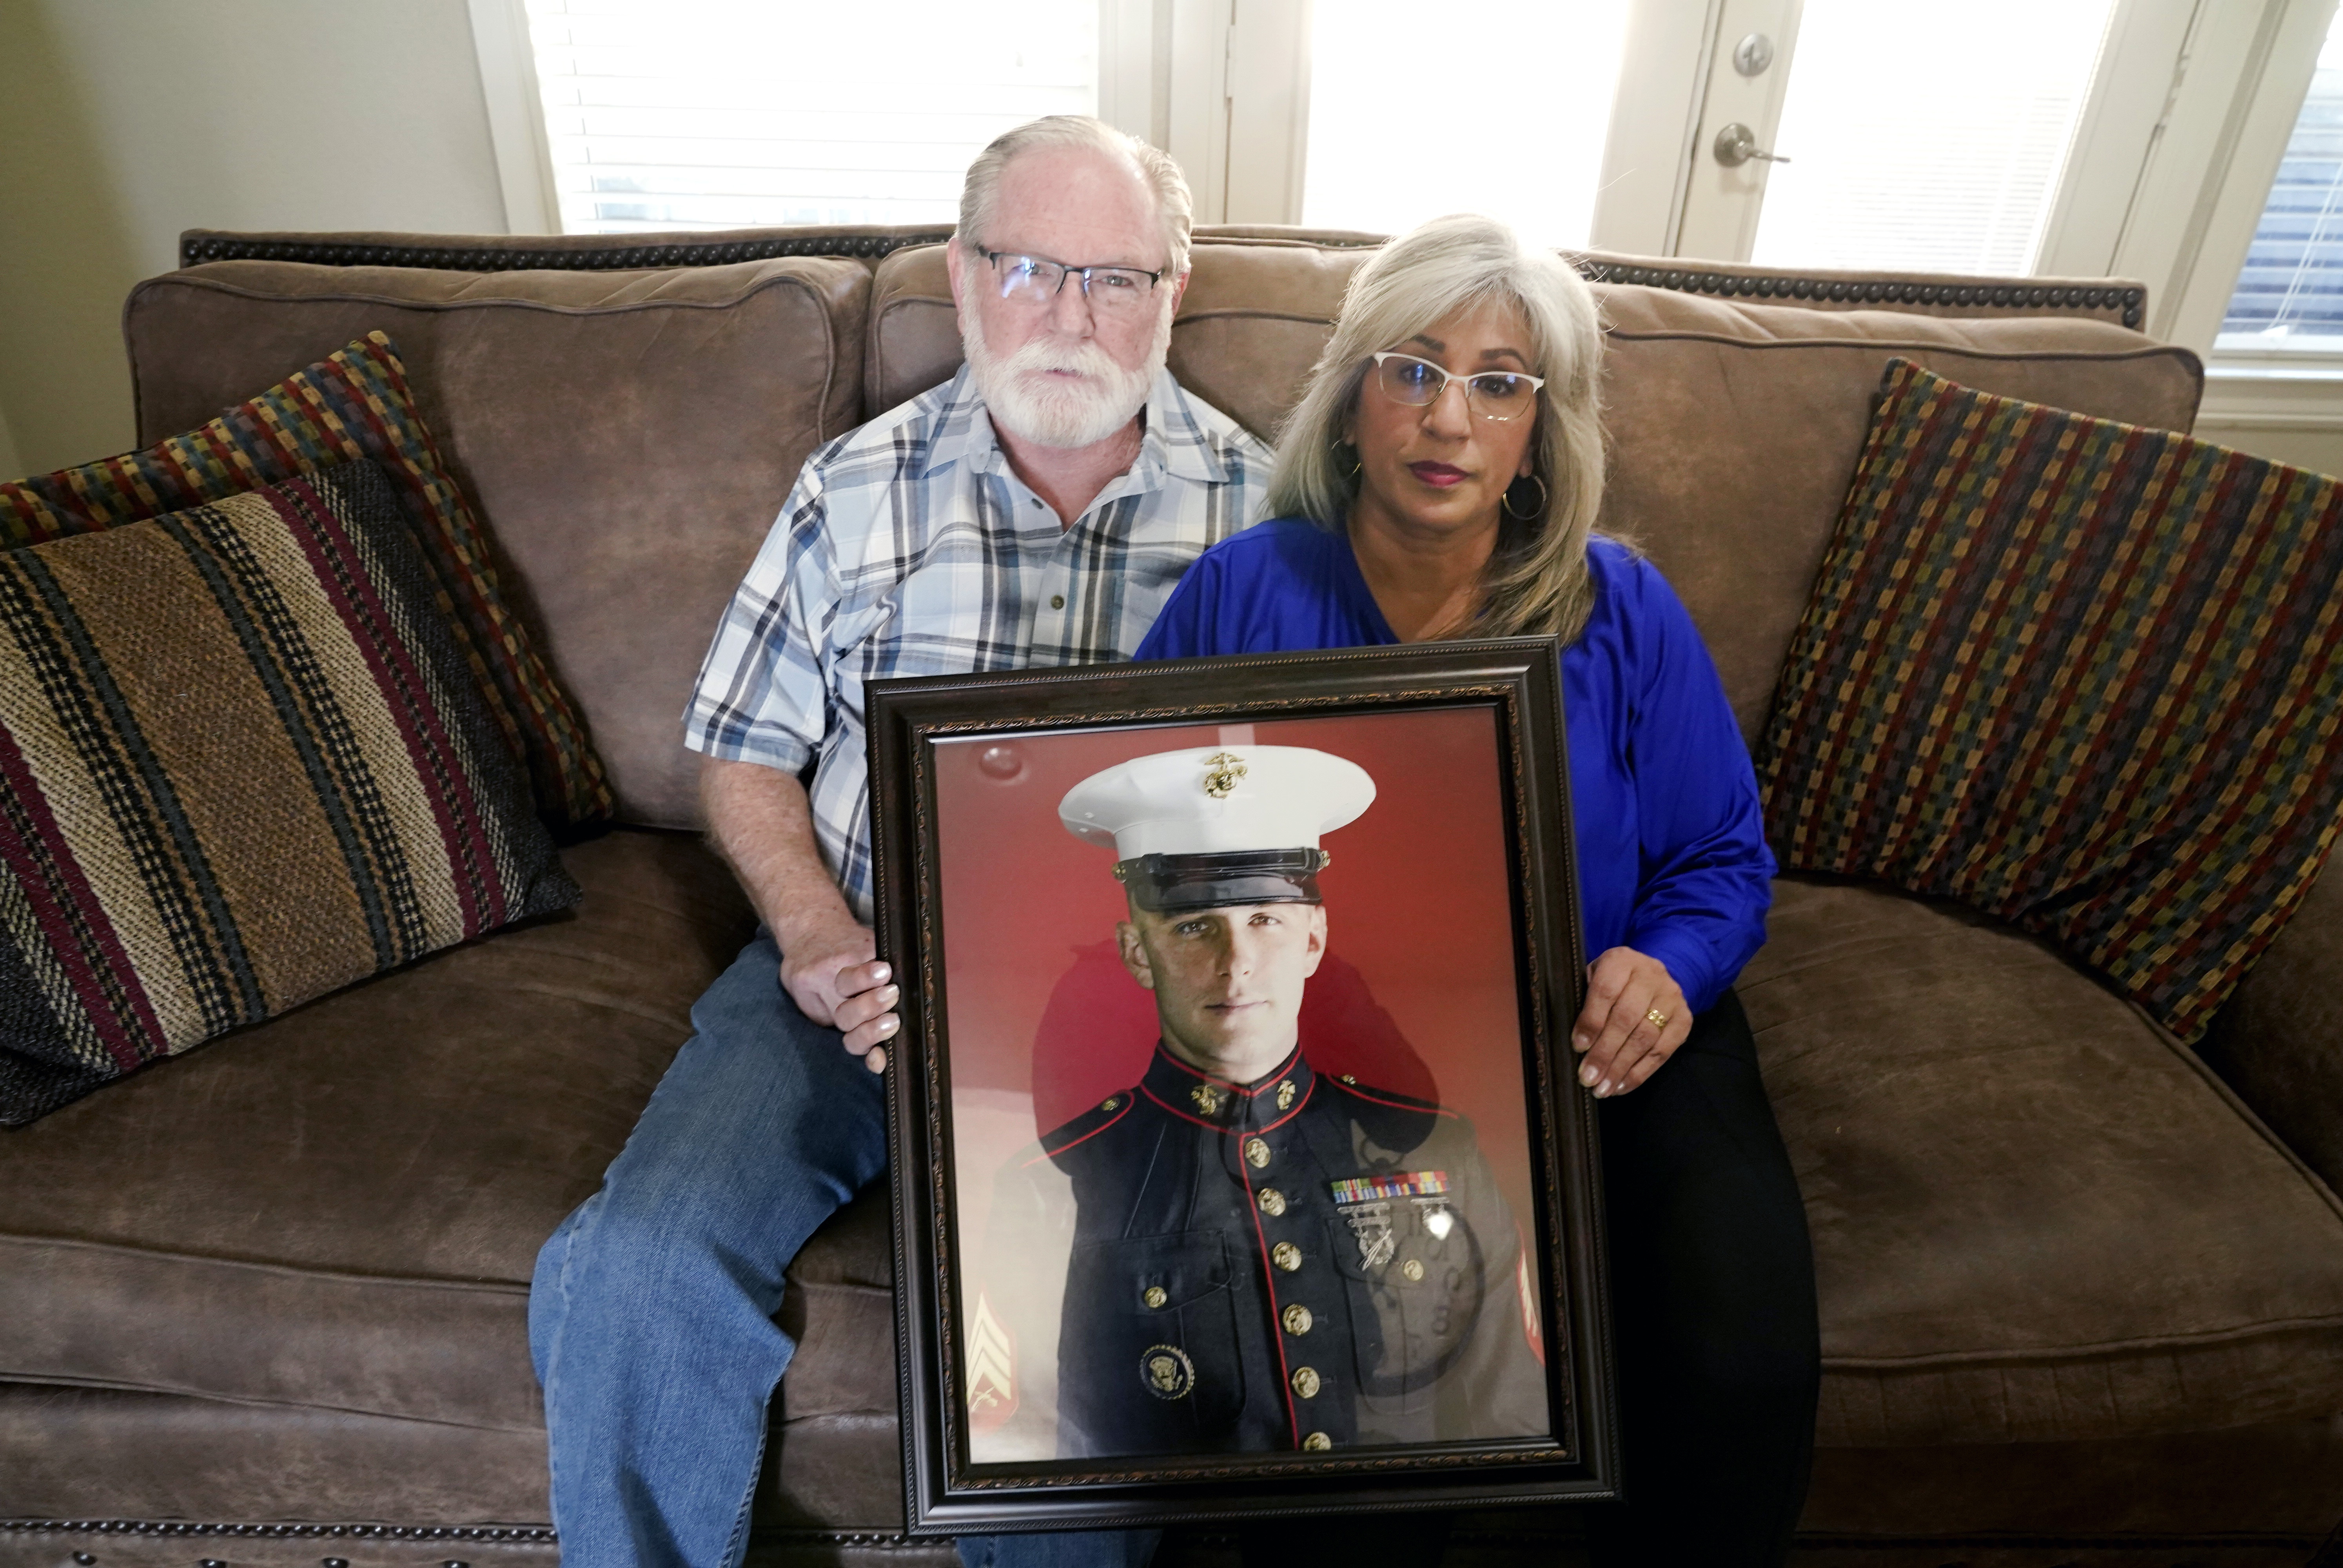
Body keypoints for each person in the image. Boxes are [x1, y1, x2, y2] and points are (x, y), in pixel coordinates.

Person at [526, 115, 1269, 1568]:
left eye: (1115, 278)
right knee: (635, 1266)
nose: (1070, 315)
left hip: (1119, 1019)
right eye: (1031, 267)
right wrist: (813, 933)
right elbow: (742, 749)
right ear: (964, 272)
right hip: (852, 971)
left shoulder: (1263, 514)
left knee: (1064, 1370)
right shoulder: (856, 488)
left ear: (1173, 292)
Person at [1130, 214, 1820, 1565]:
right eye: (1414, 370)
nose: (1451, 418)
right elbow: (1141, 821)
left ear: (1540, 432)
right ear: (1352, 403)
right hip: (1337, 1064)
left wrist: (1670, 970)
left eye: (1500, 383)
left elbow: (1720, 861)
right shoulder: (1240, 591)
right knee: (1373, 1403)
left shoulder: (1623, 606)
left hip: (1602, 1034)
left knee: (1735, 1355)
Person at [970, 744, 1545, 1463]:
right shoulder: (1053, 1189)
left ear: (1315, 939)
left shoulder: (1439, 1152)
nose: (1236, 962)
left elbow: (1513, 1421)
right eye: (1192, 926)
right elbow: (1033, 1471)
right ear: (1138, 953)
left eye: (1266, 920)